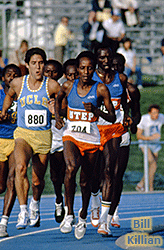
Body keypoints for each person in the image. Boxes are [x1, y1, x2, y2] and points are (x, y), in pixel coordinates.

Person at [55, 51, 116, 239]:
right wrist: (58, 118)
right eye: (82, 68)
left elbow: (112, 117)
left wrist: (96, 110)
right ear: (77, 69)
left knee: (85, 181)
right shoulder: (67, 86)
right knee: (71, 169)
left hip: (91, 138)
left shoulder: (101, 89)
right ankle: (69, 214)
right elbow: (57, 100)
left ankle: (82, 216)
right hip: (71, 135)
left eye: (90, 68)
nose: (86, 71)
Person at [1, 47, 61, 230]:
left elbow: (63, 103)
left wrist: (56, 111)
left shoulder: (51, 85)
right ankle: (23, 210)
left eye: (41, 63)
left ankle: (35, 203)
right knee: (20, 168)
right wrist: (3, 111)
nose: (38, 67)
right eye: (34, 63)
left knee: (37, 180)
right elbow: (9, 95)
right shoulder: (18, 83)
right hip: (23, 134)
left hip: (43, 136)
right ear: (27, 65)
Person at [90, 46, 131, 236]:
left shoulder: (121, 79)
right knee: (92, 176)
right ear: (96, 59)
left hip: (113, 130)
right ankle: (95, 202)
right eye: (102, 57)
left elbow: (124, 104)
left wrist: (128, 118)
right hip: (91, 131)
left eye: (108, 57)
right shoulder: (90, 80)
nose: (105, 60)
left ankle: (105, 220)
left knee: (110, 172)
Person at [0, 64, 22, 237]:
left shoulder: (25, 97)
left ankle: (4, 221)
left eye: (16, 75)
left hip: (18, 142)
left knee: (12, 180)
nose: (12, 77)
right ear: (3, 78)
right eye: (9, 74)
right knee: (0, 187)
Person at [108, 52, 141, 228]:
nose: (115, 69)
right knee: (103, 175)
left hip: (122, 134)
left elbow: (137, 112)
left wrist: (133, 123)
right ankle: (101, 206)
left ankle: (114, 212)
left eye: (118, 66)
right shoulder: (101, 87)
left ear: (124, 66)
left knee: (116, 175)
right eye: (112, 66)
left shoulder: (132, 90)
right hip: (103, 134)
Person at [45, 58, 78, 224]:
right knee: (55, 177)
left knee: (69, 171)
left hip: (67, 134)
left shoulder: (66, 89)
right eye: (47, 72)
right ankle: (58, 199)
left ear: (61, 75)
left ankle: (69, 207)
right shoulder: (40, 89)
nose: (50, 75)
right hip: (49, 136)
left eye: (54, 72)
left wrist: (58, 111)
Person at [136, 104, 164, 192]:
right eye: (154, 113)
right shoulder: (144, 119)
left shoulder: (161, 117)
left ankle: (141, 184)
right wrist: (150, 138)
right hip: (145, 144)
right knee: (153, 163)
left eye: (157, 113)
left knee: (153, 167)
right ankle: (150, 187)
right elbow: (138, 136)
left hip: (156, 144)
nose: (156, 115)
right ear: (149, 113)